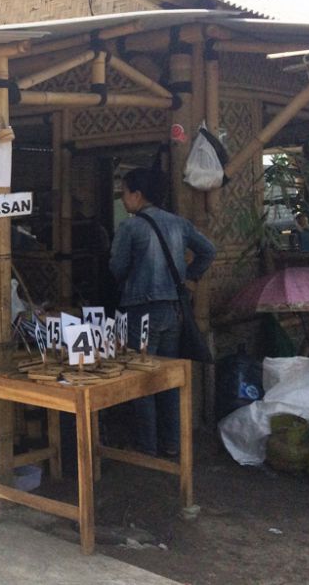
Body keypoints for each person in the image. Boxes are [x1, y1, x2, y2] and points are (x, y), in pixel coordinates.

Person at [109, 168, 216, 458]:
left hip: (140, 312)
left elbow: (116, 268)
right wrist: (189, 278)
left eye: (124, 193)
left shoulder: (130, 228)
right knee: (167, 378)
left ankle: (146, 445)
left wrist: (132, 276)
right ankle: (172, 443)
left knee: (141, 378)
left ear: (137, 194)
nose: (122, 199)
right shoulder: (178, 223)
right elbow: (208, 250)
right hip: (173, 310)